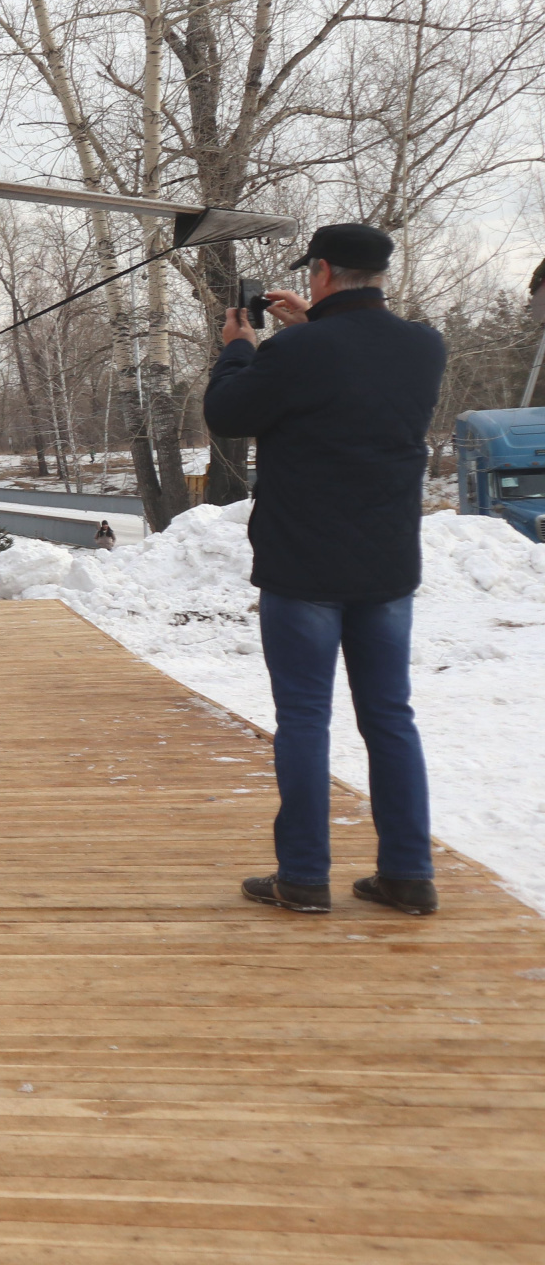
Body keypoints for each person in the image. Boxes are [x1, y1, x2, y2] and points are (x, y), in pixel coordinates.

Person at [204, 222, 447, 917]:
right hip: (387, 565)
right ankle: (408, 874)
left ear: (322, 270)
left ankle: (305, 877)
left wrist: (239, 350)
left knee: (306, 717)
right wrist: (310, 327)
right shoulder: (423, 347)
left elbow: (227, 413)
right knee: (390, 716)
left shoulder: (296, 351)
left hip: (303, 563)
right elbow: (356, 371)